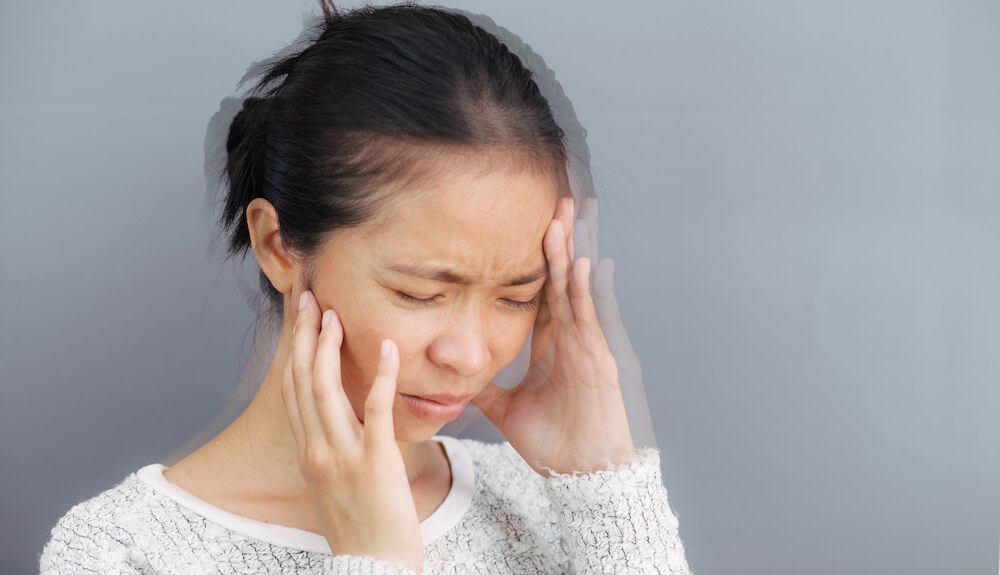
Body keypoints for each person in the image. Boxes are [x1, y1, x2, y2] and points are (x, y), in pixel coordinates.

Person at [39, 3, 691, 573]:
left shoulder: (552, 508)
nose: (469, 354)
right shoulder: (121, 553)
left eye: (518, 295)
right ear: (277, 246)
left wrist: (606, 486)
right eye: (422, 292)